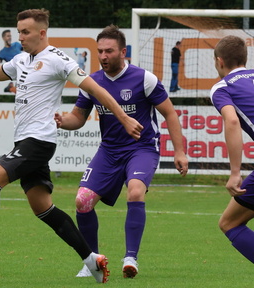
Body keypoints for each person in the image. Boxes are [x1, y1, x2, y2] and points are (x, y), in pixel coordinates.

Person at [0, 9, 144, 283]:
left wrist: (124, 117)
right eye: (19, 31)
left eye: (25, 32)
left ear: (42, 33)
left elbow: (96, 89)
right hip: (24, 140)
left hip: (39, 141)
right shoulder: (21, 59)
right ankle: (91, 260)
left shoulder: (58, 60)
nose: (20, 37)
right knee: (43, 208)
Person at [55, 25, 188, 278]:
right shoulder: (91, 83)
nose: (103, 56)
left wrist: (179, 152)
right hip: (109, 151)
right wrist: (62, 121)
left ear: (123, 52)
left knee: (135, 190)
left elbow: (169, 113)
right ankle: (92, 261)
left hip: (142, 148)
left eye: (109, 51)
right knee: (82, 201)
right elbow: (78, 119)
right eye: (100, 52)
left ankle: (131, 258)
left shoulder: (144, 79)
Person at [210, 35, 254, 263]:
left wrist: (235, 173)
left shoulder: (222, 87)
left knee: (230, 223)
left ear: (219, 61)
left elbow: (232, 121)